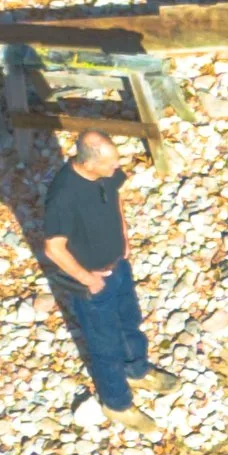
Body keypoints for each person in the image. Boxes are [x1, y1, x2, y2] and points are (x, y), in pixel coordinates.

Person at [40, 130, 175, 429]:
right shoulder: (64, 196)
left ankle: (137, 371)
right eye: (111, 163)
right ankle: (117, 403)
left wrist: (124, 240)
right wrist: (87, 279)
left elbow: (115, 198)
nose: (118, 167)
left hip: (119, 266)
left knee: (130, 323)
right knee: (105, 346)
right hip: (94, 284)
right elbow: (53, 247)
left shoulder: (104, 176)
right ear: (89, 164)